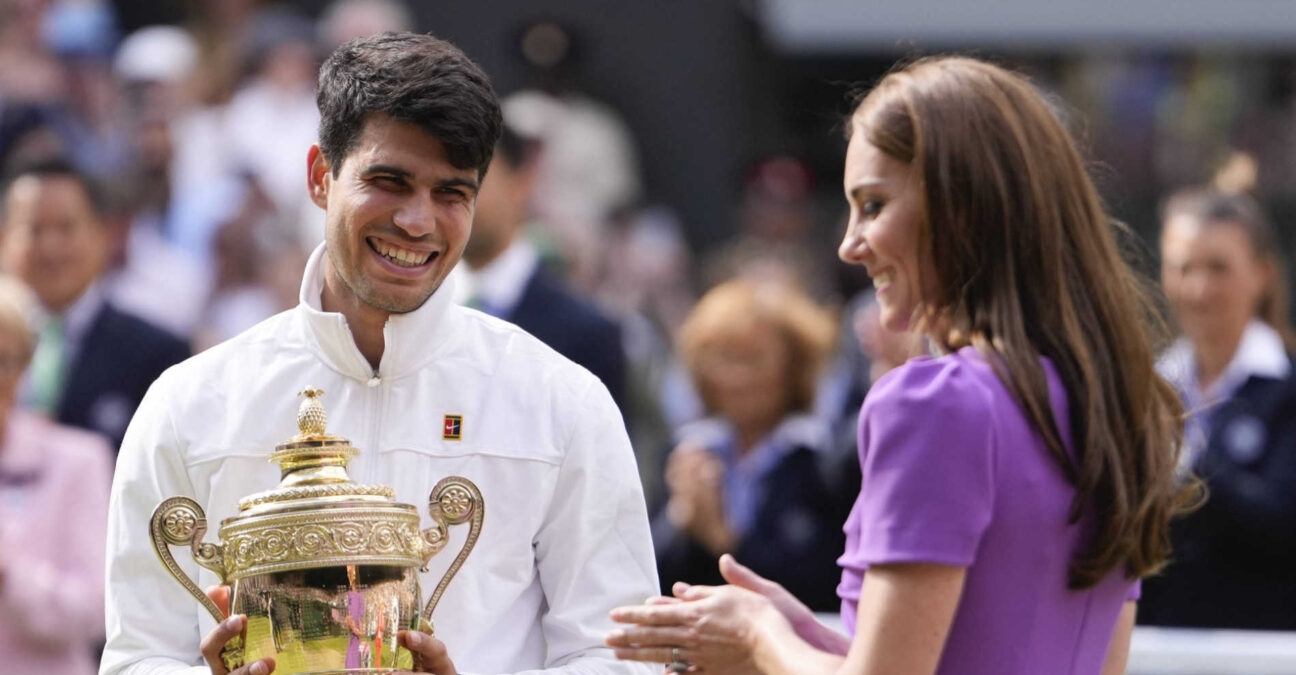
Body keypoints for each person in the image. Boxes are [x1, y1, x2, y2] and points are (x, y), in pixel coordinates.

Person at [606, 56, 1192, 675]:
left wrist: (757, 635)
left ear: (963, 205)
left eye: (874, 204)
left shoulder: (934, 402)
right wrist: (799, 632)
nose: (849, 244)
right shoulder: (1115, 398)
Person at [100, 33, 658, 675]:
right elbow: (139, 656)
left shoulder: (563, 403)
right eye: (388, 182)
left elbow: (620, 657)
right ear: (319, 176)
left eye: (452, 193)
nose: (418, 222)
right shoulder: (188, 404)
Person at [1138, 185, 1296, 630]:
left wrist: (1185, 471)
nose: (1200, 289)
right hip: (1154, 651)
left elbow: (1282, 524)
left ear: (1262, 273)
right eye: (1184, 268)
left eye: (1219, 268)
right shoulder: (1145, 390)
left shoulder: (1288, 391)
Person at [652, 278, 851, 612]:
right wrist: (680, 521)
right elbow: (651, 579)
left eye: (753, 358)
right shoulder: (687, 452)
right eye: (724, 358)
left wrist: (725, 543)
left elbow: (828, 586)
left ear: (793, 366)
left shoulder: (824, 461)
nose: (737, 377)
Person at [0, 158, 191, 450]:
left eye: (66, 228)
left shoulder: (158, 356)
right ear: (5, 239)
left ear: (102, 234)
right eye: (34, 229)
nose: (51, 247)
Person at [455, 122, 627, 408]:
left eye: (473, 179)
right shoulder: (408, 310)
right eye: (444, 183)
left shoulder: (587, 331)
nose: (455, 197)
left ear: (522, 182)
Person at [0, 275, 114, 675]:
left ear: (27, 365)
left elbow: (96, 609)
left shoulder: (78, 459)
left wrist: (9, 577)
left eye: (5, 360)